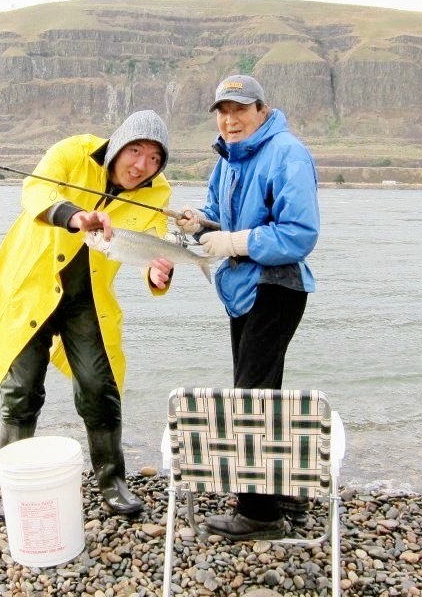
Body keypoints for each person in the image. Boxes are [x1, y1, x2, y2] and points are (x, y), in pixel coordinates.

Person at [0, 110, 174, 516]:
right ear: (117, 144)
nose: (141, 166)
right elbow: (36, 192)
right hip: (31, 288)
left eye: (154, 159)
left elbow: (153, 246)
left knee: (99, 387)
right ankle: (15, 481)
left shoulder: (156, 194)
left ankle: (113, 483)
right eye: (135, 151)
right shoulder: (72, 152)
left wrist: (157, 273)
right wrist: (75, 216)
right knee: (22, 390)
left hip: (86, 300)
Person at [176, 75, 320, 540]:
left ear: (262, 109)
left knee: (250, 399)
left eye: (239, 109)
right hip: (242, 291)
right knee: (266, 392)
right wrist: (200, 223)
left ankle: (260, 516)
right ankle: (284, 489)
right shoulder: (228, 160)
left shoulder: (287, 152)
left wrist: (234, 240)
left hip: (276, 288)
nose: (229, 119)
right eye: (222, 110)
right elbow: (221, 218)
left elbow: (299, 233)